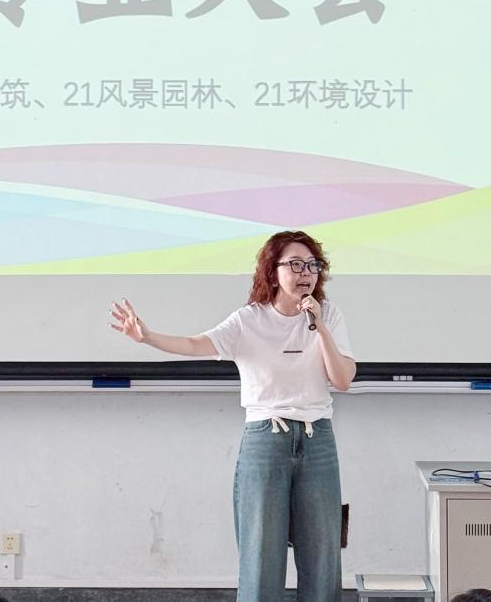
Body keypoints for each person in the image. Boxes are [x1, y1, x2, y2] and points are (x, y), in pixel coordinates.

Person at [110, 230, 356, 602]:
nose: (305, 273)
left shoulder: (329, 316)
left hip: (317, 439)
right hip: (265, 440)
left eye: (312, 265)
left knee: (323, 555)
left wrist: (319, 327)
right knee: (261, 555)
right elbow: (195, 344)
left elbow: (343, 379)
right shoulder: (248, 320)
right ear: (273, 272)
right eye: (295, 265)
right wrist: (148, 337)